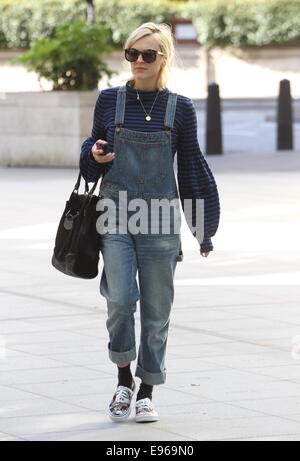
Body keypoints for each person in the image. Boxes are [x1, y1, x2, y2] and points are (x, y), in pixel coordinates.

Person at [80, 22, 220, 423]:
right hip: (115, 214)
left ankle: (147, 390)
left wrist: (203, 229)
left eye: (147, 54)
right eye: (131, 54)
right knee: (120, 300)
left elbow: (191, 169)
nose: (138, 61)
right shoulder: (109, 101)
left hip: (160, 218)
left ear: (163, 57)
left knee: (158, 310)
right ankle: (123, 380)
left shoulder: (181, 107)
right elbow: (90, 157)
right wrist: (97, 155)